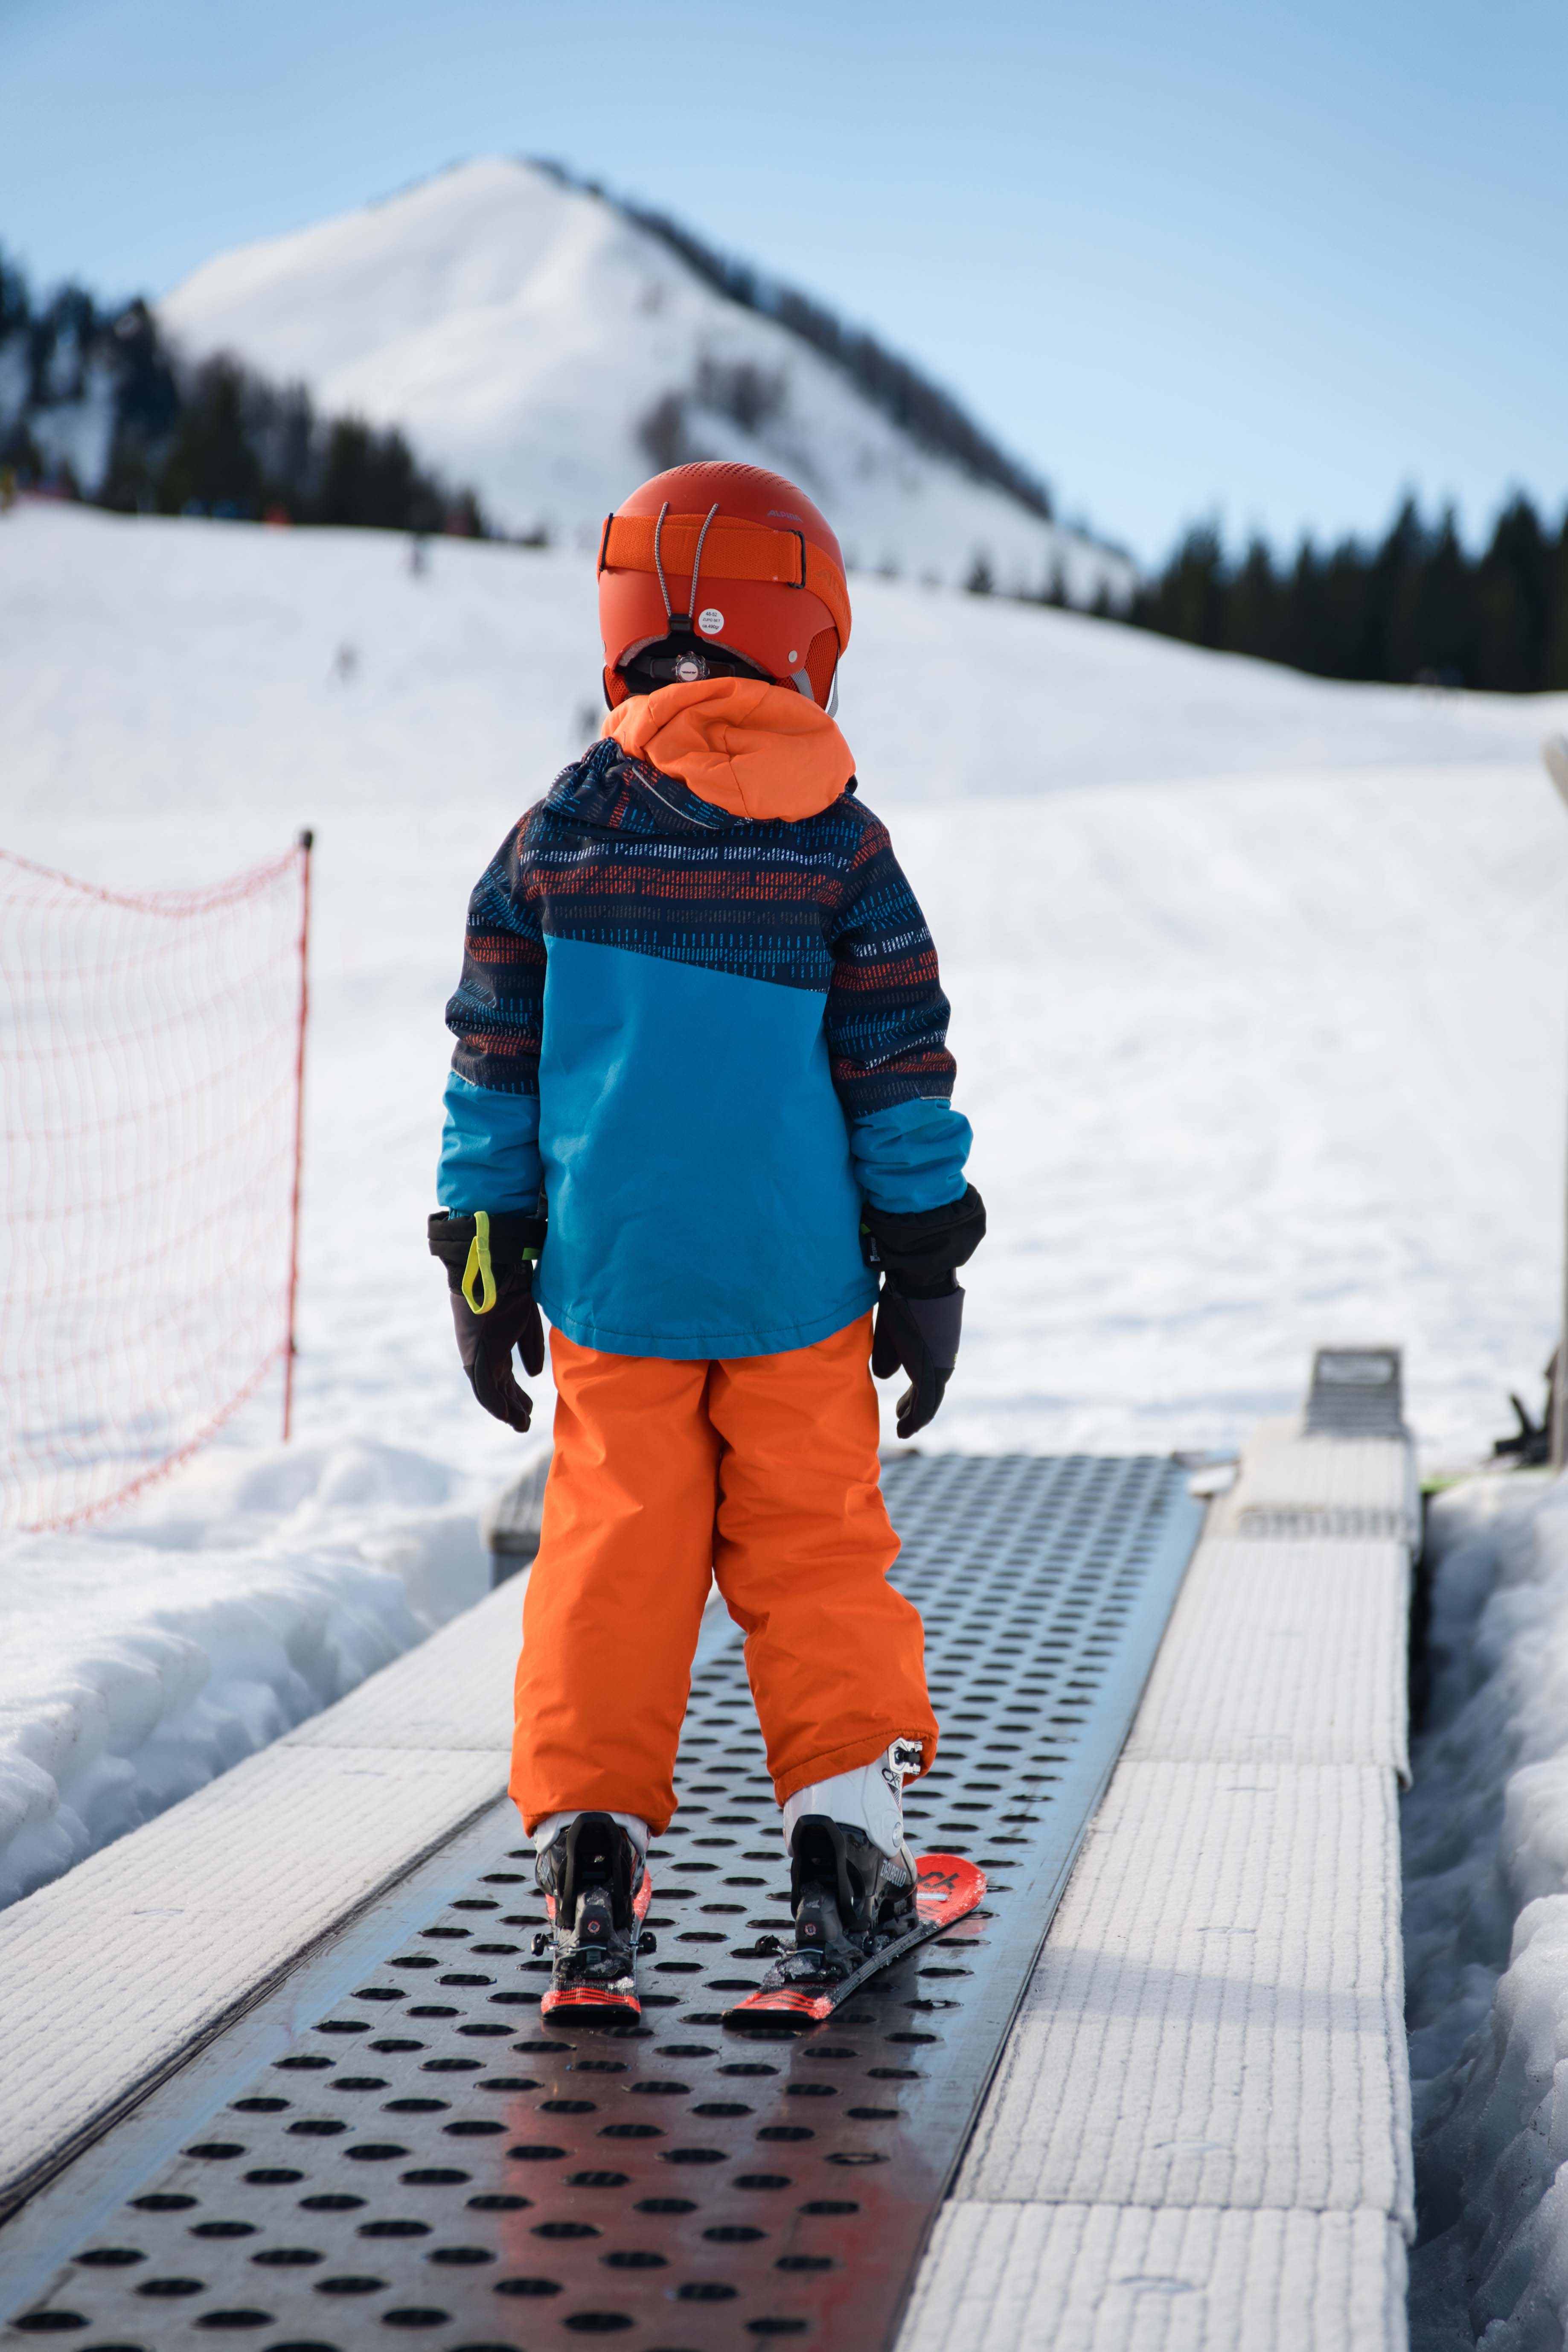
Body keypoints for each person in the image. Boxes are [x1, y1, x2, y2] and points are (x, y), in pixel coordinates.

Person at [429, 461, 984, 2018]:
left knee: (613, 1561)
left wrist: (485, 1265)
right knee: (812, 1559)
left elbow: (492, 1064)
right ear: (807, 624)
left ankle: (591, 1868)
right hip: (797, 1288)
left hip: (614, 1288)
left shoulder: (556, 830)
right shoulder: (841, 846)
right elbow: (897, 1071)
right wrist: (925, 1267)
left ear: (627, 620)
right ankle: (845, 1858)